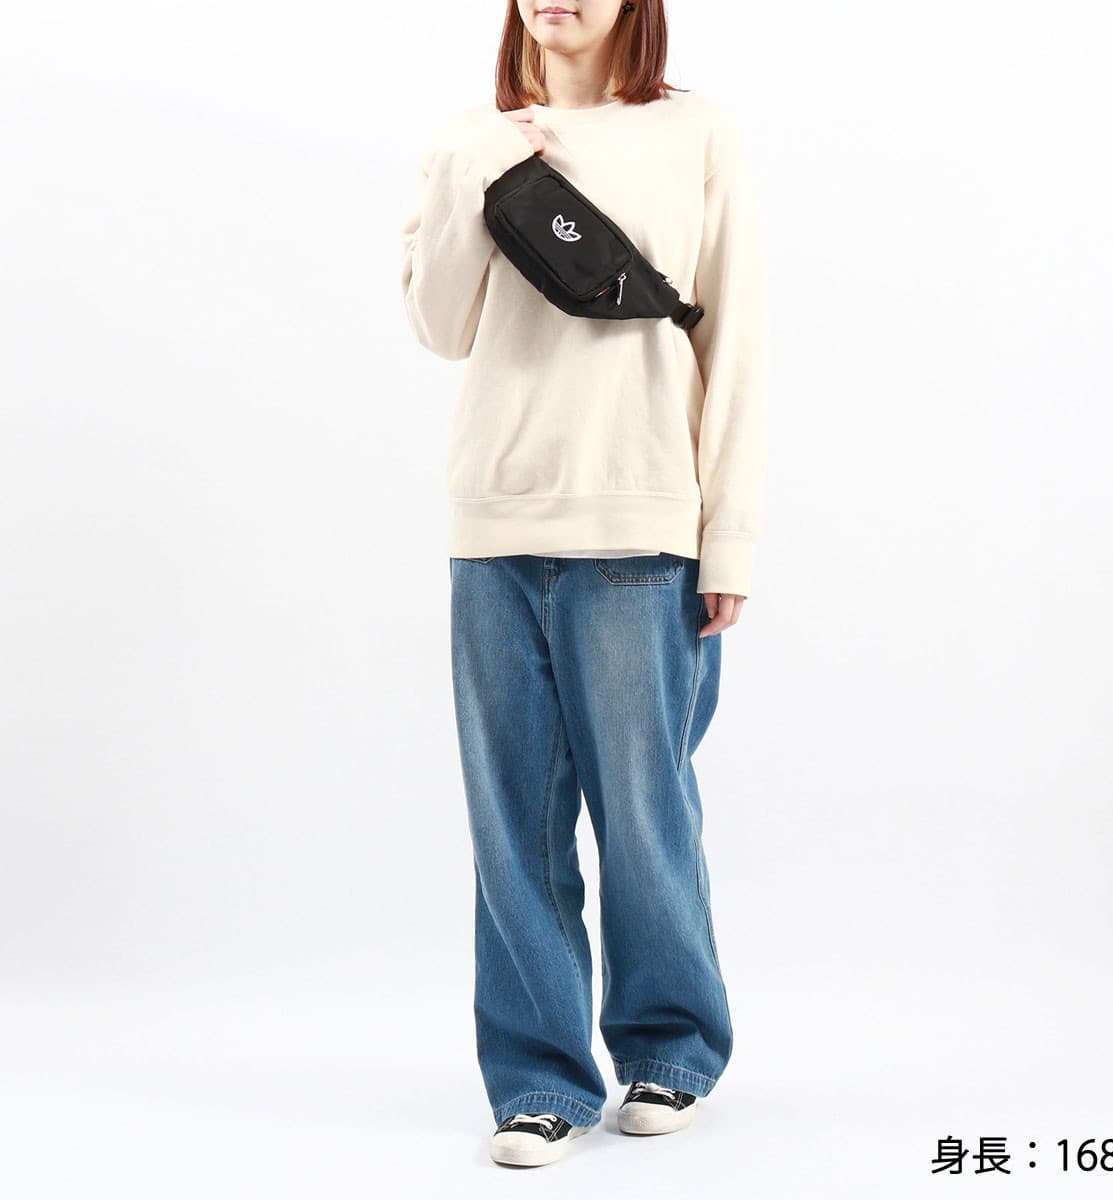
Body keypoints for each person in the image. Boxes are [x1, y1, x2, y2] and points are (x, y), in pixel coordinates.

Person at [400, 0, 768, 1168]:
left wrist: (728, 536)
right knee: (512, 825)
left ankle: (671, 1051)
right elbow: (439, 324)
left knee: (644, 811)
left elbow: (734, 343)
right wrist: (476, 166)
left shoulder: (697, 133)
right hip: (496, 520)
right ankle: (536, 1080)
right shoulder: (470, 137)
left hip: (640, 519)